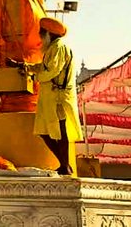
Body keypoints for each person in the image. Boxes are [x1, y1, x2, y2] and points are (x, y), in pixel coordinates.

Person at [16, 17, 83, 175]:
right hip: (49, 98)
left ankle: (65, 165)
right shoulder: (51, 49)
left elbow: (52, 71)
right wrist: (27, 68)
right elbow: (43, 66)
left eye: (41, 32)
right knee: (44, 132)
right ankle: (64, 164)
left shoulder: (59, 47)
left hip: (59, 98)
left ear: (48, 34)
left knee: (61, 132)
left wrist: (34, 78)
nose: (39, 36)